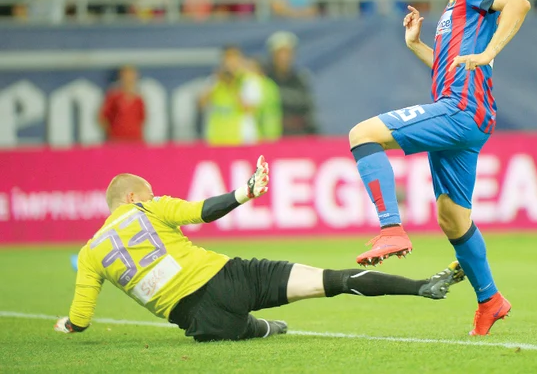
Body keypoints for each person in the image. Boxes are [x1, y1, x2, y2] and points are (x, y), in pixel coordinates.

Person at [53, 159, 465, 342]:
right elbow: (201, 212)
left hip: (200, 321)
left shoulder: (90, 253)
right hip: (230, 280)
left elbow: (81, 318)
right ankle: (422, 286)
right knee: (332, 281)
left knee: (245, 329)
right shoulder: (146, 208)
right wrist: (244, 192)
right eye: (148, 192)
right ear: (131, 198)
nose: (153, 195)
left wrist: (69, 325)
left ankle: (263, 328)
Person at [347, 0, 531, 336]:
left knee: (362, 134)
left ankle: (391, 229)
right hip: (469, 116)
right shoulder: (456, 6)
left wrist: (489, 52)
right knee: (451, 217)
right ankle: (490, 300)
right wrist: (416, 46)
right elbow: (450, 67)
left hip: (460, 110)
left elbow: (518, 3)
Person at [199, 46, 262, 146]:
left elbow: (250, 110)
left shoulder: (249, 81)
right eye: (227, 58)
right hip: (216, 136)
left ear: (240, 60)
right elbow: (201, 104)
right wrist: (217, 81)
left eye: (233, 58)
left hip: (242, 137)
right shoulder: (215, 80)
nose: (230, 63)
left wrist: (234, 86)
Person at [266, 31, 317, 136]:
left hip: (298, 137)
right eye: (280, 53)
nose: (284, 57)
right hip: (270, 137)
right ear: (273, 55)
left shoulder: (300, 80)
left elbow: (308, 111)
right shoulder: (264, 80)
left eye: (288, 53)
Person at [99, 65, 146, 143]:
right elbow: (103, 117)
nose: (129, 78)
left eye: (131, 75)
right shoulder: (113, 96)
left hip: (135, 139)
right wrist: (112, 133)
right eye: (126, 75)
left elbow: (142, 119)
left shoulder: (139, 99)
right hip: (116, 139)